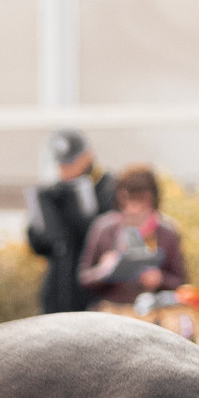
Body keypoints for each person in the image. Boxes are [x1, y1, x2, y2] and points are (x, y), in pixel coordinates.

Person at [26, 130, 118, 314]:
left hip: (92, 292)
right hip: (59, 288)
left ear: (88, 156)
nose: (65, 169)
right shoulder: (55, 191)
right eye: (61, 164)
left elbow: (106, 239)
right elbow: (41, 243)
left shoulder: (108, 189)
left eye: (71, 162)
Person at [78, 167, 187, 307]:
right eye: (129, 199)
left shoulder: (167, 232)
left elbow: (182, 283)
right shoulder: (104, 229)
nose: (134, 208)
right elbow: (84, 278)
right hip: (112, 311)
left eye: (141, 200)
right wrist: (104, 270)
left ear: (152, 199)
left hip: (152, 313)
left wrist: (160, 279)